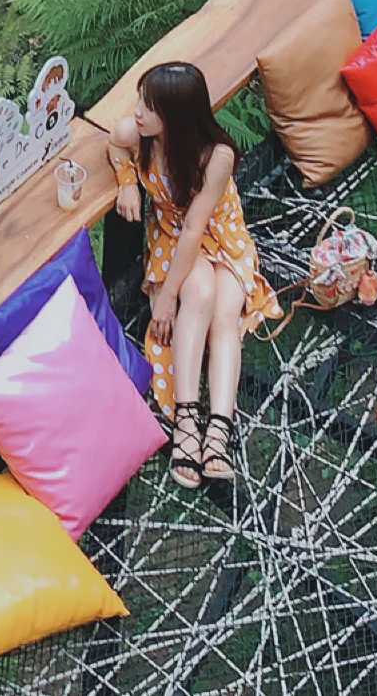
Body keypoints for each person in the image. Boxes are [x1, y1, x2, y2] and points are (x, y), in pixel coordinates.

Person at [109, 61, 281, 491]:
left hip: (216, 234)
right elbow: (114, 143)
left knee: (224, 310)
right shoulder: (137, 135)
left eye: (148, 107)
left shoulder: (215, 156)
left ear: (175, 117)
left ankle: (218, 429)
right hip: (171, 233)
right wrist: (127, 180)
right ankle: (187, 420)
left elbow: (196, 227)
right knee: (199, 290)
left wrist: (166, 298)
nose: (137, 112)